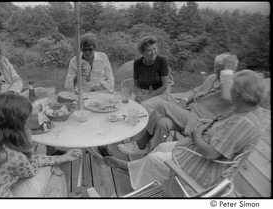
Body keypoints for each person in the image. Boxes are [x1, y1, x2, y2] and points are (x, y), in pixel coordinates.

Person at [104, 69, 265, 191]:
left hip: (203, 167)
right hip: (198, 136)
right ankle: (133, 168)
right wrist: (205, 126)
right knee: (162, 132)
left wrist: (197, 135)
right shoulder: (249, 111)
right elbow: (220, 130)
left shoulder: (243, 122)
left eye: (233, 89)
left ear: (238, 94)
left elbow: (210, 154)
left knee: (155, 157)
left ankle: (140, 178)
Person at [118, 53, 239, 155]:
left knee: (163, 105)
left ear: (227, 71)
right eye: (215, 68)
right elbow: (195, 91)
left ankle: (141, 144)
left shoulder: (234, 86)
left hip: (201, 122)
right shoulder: (213, 77)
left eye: (219, 69)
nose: (215, 71)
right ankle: (154, 153)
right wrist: (184, 100)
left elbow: (228, 97)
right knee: (163, 123)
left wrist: (228, 72)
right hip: (188, 112)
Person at [0, 93, 82, 197]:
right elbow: (30, 169)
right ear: (18, 124)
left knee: (54, 178)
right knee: (55, 171)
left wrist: (62, 157)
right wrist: (29, 141)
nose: (29, 122)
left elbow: (25, 163)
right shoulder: (15, 155)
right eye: (27, 118)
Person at [0, 33, 46, 98]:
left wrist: (13, 92)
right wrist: (7, 97)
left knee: (42, 91)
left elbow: (17, 79)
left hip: (14, 95)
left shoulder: (4, 60)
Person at [132, 35, 172, 115]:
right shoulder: (137, 63)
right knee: (130, 104)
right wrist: (139, 96)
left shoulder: (162, 61)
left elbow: (164, 86)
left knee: (144, 105)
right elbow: (136, 85)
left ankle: (148, 126)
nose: (153, 53)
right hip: (143, 94)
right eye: (149, 50)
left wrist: (147, 97)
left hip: (159, 94)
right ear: (143, 52)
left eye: (154, 49)